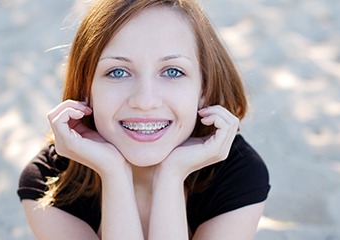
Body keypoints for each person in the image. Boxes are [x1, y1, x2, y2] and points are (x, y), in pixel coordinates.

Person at [17, 0, 270, 239]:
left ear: (203, 88)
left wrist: (171, 174)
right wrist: (113, 172)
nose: (145, 100)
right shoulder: (50, 181)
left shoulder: (238, 172)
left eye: (172, 71)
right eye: (118, 72)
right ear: (86, 89)